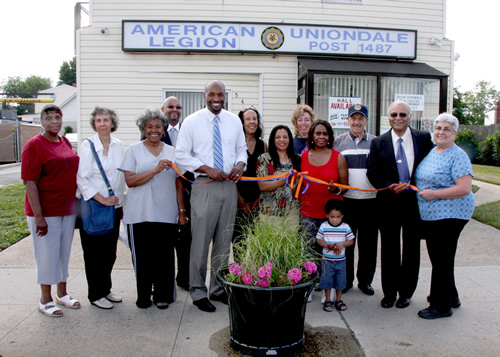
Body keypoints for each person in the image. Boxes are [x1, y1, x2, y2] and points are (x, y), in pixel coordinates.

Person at [175, 80, 247, 313]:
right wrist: (207, 168)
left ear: (225, 96)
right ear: (204, 95)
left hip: (228, 186)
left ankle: (217, 289)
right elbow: (181, 156)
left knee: (223, 242)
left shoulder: (234, 120)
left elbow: (241, 149)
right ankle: (197, 290)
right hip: (205, 185)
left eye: (221, 94)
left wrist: (240, 163)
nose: (216, 98)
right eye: (212, 94)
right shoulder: (192, 121)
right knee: (201, 241)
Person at [367, 101, 433, 309]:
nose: (398, 118)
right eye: (394, 114)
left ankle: (406, 293)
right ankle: (389, 293)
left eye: (403, 114)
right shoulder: (379, 142)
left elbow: (432, 165)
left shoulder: (423, 139)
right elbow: (372, 172)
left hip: (414, 203)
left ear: (409, 117)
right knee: (389, 249)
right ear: (388, 116)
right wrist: (388, 186)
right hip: (388, 203)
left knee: (412, 249)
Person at [119, 109, 187, 309]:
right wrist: (156, 169)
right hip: (139, 214)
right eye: (149, 127)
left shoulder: (172, 152)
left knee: (165, 257)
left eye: (158, 126)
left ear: (164, 129)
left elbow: (178, 184)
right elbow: (130, 181)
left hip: (166, 214)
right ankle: (143, 296)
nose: (154, 130)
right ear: (143, 129)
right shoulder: (133, 150)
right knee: (143, 258)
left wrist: (181, 212)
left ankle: (162, 295)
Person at [21, 104, 80, 318]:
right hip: (46, 212)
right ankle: (45, 300)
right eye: (49, 118)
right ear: (41, 121)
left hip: (67, 208)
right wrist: (39, 217)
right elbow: (29, 182)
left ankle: (62, 293)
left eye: (57, 117)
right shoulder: (34, 145)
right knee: (47, 254)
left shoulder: (63, 140)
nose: (54, 122)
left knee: (63, 253)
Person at [415, 113, 475, 319]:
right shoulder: (434, 151)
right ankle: (451, 297)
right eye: (438, 128)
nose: (441, 132)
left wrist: (435, 194)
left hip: (452, 214)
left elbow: (465, 188)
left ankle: (441, 306)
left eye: (446, 129)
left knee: (441, 258)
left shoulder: (457, 155)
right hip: (434, 214)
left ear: (455, 133)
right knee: (441, 258)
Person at [77, 106, 125, 309]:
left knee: (110, 253)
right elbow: (82, 178)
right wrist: (102, 199)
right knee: (93, 254)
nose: (103, 123)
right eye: (99, 120)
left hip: (113, 208)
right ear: (94, 124)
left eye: (106, 120)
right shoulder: (87, 146)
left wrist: (120, 202)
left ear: (112, 123)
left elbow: (120, 176)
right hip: (93, 208)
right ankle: (95, 295)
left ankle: (106, 290)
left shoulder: (118, 145)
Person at [333, 104, 378, 295]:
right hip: (348, 201)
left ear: (366, 121)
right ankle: (346, 280)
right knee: (347, 243)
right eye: (353, 118)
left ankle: (365, 281)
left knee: (368, 245)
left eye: (361, 118)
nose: (357, 122)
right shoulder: (338, 142)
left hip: (371, 201)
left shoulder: (376, 142)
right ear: (348, 120)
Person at [160, 96, 192, 291]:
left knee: (186, 238)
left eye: (178, 107)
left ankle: (184, 277)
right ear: (163, 109)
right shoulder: (154, 131)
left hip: (187, 191)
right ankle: (165, 280)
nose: (174, 110)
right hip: (164, 192)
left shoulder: (187, 131)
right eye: (170, 106)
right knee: (165, 240)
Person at [233, 106, 267, 254]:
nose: (252, 122)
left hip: (257, 201)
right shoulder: (235, 144)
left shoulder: (263, 145)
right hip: (237, 199)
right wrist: (240, 201)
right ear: (242, 122)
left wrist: (259, 200)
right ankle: (240, 274)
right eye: (248, 119)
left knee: (256, 244)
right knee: (238, 243)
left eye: (255, 119)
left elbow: (265, 175)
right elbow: (231, 176)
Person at [316, 200, 354, 312]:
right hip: (327, 260)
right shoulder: (324, 226)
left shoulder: (346, 227)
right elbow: (319, 240)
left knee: (340, 281)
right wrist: (328, 245)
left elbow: (351, 241)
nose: (335, 219)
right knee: (327, 280)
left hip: (341, 261)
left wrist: (341, 244)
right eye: (332, 217)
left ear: (342, 215)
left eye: (338, 217)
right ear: (327, 215)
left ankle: (339, 299)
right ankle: (328, 299)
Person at [257, 125, 301, 215]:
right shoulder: (264, 159)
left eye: (285, 137)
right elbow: (262, 186)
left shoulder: (297, 159)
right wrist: (285, 180)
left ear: (290, 139)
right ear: (273, 140)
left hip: (291, 213)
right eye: (278, 137)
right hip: (269, 213)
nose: (282, 140)